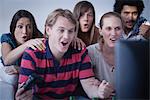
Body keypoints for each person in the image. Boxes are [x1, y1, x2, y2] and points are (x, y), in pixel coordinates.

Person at [15, 8, 114, 100]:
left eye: (70, 31)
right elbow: (24, 90)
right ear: (48, 30)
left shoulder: (79, 51)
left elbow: (89, 84)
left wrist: (99, 92)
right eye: (61, 30)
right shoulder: (32, 53)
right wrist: (24, 95)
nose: (66, 36)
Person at [0, 9, 45, 99]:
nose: (25, 31)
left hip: (28, 75)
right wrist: (26, 44)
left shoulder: (38, 39)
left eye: (29, 27)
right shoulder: (7, 38)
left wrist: (20, 69)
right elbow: (7, 60)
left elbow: (44, 69)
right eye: (20, 27)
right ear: (13, 28)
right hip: (8, 74)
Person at [87, 11, 124, 99]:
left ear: (122, 30)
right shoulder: (90, 52)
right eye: (108, 28)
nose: (113, 33)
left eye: (117, 28)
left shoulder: (130, 53)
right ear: (100, 30)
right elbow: (87, 82)